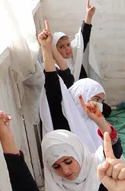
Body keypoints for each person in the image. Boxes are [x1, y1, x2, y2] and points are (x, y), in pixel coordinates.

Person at [38, 23, 119, 155]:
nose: (98, 105)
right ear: (80, 97)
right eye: (96, 99)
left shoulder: (93, 124)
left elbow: (115, 150)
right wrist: (46, 48)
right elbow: (52, 82)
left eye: (100, 101)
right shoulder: (63, 120)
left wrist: (101, 122)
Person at [52, 0, 103, 90]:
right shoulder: (55, 66)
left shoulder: (74, 51)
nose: (67, 49)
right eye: (61, 47)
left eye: (68, 44)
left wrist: (89, 15)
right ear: (55, 50)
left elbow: (83, 37)